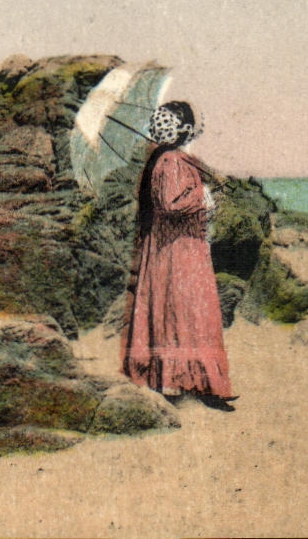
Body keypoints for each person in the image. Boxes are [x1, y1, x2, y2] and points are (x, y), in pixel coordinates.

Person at [120, 101, 236, 410]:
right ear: (185, 130)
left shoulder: (176, 159)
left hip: (185, 247)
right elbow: (170, 205)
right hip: (176, 250)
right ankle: (180, 383)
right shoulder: (170, 161)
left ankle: (200, 383)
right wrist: (203, 197)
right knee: (184, 312)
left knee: (193, 312)